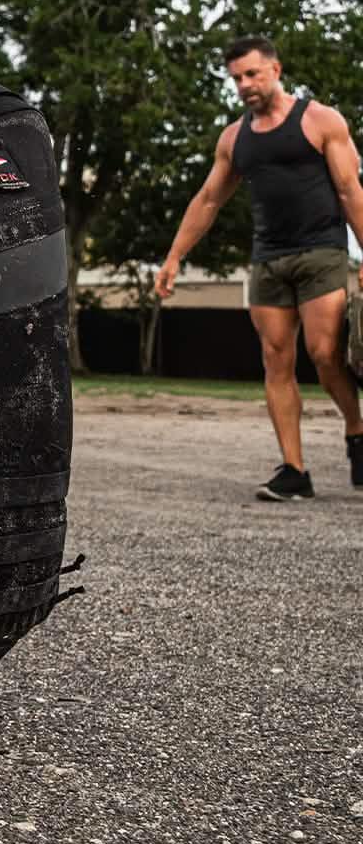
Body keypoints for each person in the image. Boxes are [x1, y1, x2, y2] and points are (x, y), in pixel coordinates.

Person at [155, 36, 363, 501]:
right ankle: (295, 469)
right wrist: (173, 257)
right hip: (268, 257)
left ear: (275, 69)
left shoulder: (320, 120)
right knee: (275, 359)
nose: (244, 85)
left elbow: (350, 191)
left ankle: (355, 427)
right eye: (236, 78)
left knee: (326, 353)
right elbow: (208, 199)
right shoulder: (234, 138)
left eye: (252, 74)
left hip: (322, 252)